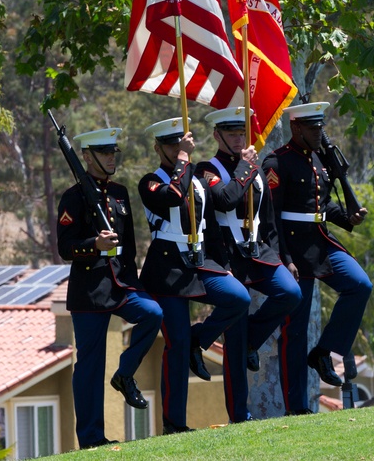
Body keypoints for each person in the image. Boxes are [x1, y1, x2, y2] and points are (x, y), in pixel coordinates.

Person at [138, 117, 251, 434]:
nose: (177, 149)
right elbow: (172, 197)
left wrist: (224, 264)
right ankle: (174, 423)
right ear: (158, 148)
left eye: (181, 143)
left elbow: (211, 227)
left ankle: (199, 340)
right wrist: (185, 160)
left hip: (201, 262)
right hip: (167, 269)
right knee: (175, 343)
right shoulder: (150, 181)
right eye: (171, 145)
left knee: (238, 299)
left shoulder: (197, 180)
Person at [262, 101, 373, 415]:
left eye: (320, 127)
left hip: (322, 242)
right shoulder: (277, 163)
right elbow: (271, 218)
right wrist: (284, 258)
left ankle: (324, 351)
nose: (318, 132)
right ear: (296, 127)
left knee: (360, 285)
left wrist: (348, 218)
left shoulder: (322, 159)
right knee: (295, 333)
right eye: (312, 128)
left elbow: (321, 207)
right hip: (294, 249)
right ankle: (296, 408)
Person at [56, 127, 162, 450]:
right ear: (86, 157)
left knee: (152, 314)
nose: (110, 157)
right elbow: (65, 248)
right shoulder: (73, 198)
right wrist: (95, 244)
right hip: (90, 291)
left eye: (113, 152)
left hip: (122, 283)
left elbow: (128, 247)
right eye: (104, 153)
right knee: (89, 367)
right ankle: (91, 439)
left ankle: (125, 374)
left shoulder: (119, 193)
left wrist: (136, 285)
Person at [196, 106, 302, 423]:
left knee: (291, 293)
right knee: (236, 334)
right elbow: (226, 198)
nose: (239, 139)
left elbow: (267, 221)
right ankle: (239, 414)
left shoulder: (252, 169)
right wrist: (244, 166)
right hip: (229, 257)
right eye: (231, 134)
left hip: (259, 252)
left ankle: (251, 343)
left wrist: (283, 257)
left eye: (241, 133)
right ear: (217, 136)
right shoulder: (207, 168)